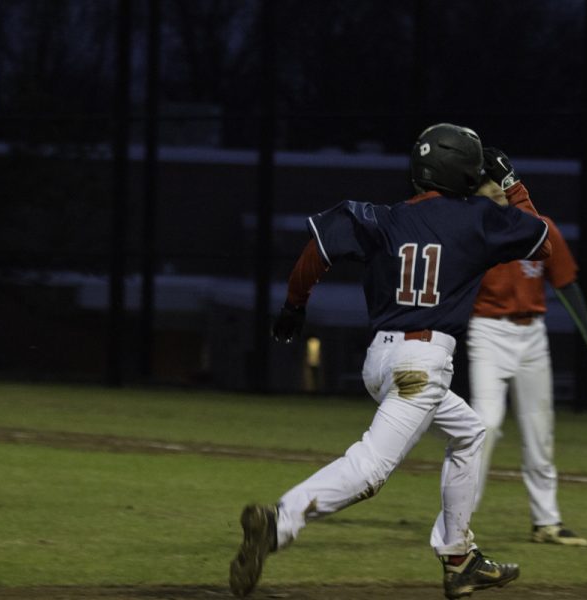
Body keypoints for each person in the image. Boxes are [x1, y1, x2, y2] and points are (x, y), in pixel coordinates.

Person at [229, 123, 552, 600]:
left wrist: (294, 306)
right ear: (463, 171)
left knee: (469, 432)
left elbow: (318, 248)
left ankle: (459, 558)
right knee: (371, 467)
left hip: (381, 359)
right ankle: (280, 521)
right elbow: (543, 242)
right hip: (423, 363)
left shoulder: (383, 217)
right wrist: (512, 185)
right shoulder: (478, 218)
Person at [467, 147, 587, 547]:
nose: (497, 199)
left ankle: (547, 522)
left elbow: (566, 284)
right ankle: (459, 520)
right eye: (489, 194)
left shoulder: (539, 228)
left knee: (540, 430)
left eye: (500, 192)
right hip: (487, 332)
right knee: (484, 425)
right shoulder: (476, 232)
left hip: (532, 335)